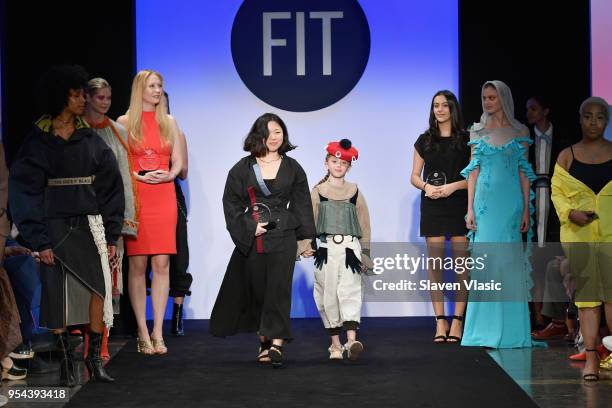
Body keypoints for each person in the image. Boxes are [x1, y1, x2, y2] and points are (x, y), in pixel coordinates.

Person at [9, 64, 123, 385]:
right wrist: (38, 239)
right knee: (56, 293)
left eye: (83, 95)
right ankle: (66, 363)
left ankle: (93, 361)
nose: (82, 100)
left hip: (88, 223)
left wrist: (111, 232)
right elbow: (23, 191)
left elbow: (111, 186)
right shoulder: (39, 141)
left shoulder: (90, 138)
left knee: (97, 289)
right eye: (76, 95)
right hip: (53, 227)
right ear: (61, 98)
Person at [209, 113, 316, 368]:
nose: (273, 137)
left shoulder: (293, 167)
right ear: (258, 135)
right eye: (268, 132)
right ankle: (264, 342)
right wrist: (249, 226)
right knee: (259, 291)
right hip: (255, 236)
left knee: (279, 289)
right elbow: (231, 202)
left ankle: (277, 344)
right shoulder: (242, 168)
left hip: (284, 235)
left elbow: (302, 203)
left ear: (284, 134)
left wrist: (306, 240)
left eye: (278, 131)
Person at [460, 80, 538, 349]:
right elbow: (473, 172)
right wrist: (470, 208)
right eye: (484, 97)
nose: (487, 102)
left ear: (503, 99)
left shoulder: (520, 130)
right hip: (485, 206)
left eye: (492, 97)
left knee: (508, 264)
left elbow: (523, 171)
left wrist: (527, 207)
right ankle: (482, 330)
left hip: (511, 206)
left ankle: (512, 333)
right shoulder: (477, 132)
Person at [117, 70, 184, 355]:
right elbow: (118, 163)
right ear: (139, 89)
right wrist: (138, 176)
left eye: (160, 86)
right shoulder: (123, 122)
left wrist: (167, 175)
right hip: (137, 198)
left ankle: (158, 331)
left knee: (162, 264)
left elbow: (179, 162)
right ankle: (142, 332)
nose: (157, 91)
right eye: (152, 86)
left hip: (163, 196)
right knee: (137, 265)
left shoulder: (169, 121)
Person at [551, 96, 612, 381]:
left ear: (607, 121)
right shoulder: (567, 155)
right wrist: (570, 212)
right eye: (588, 116)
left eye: (600, 117)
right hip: (580, 236)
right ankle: (591, 359)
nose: (593, 122)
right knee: (587, 298)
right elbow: (557, 193)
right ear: (580, 118)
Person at [85, 77, 138, 359]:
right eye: (99, 97)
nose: (104, 102)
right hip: (80, 213)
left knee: (109, 281)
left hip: (109, 214)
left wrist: (125, 221)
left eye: (108, 97)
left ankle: (101, 346)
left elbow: (126, 179)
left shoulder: (118, 132)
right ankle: (82, 343)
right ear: (87, 98)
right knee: (82, 280)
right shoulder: (76, 129)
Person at [410, 90, 470, 343]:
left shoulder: (467, 140)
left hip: (458, 204)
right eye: (436, 105)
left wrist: (452, 187)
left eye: (445, 105)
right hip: (433, 205)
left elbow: (474, 179)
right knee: (435, 266)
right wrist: (426, 187)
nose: (440, 109)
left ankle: (457, 321)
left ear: (453, 109)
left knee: (460, 267)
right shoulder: (424, 141)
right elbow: (414, 176)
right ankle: (440, 322)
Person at [311, 139, 371, 360]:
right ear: (326, 163)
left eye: (343, 163)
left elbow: (364, 223)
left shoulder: (354, 191)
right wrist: (306, 246)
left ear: (349, 166)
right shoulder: (318, 191)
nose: (338, 165)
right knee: (328, 294)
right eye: (334, 161)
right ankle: (335, 344)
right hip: (326, 248)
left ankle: (352, 341)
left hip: (349, 248)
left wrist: (365, 254)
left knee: (351, 290)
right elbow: (309, 221)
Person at [525, 94, 571, 337]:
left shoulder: (562, 137)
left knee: (553, 256)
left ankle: (560, 319)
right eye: (528, 109)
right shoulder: (525, 139)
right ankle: (538, 318)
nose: (529, 113)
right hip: (532, 199)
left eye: (533, 109)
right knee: (533, 260)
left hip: (555, 200)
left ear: (545, 110)